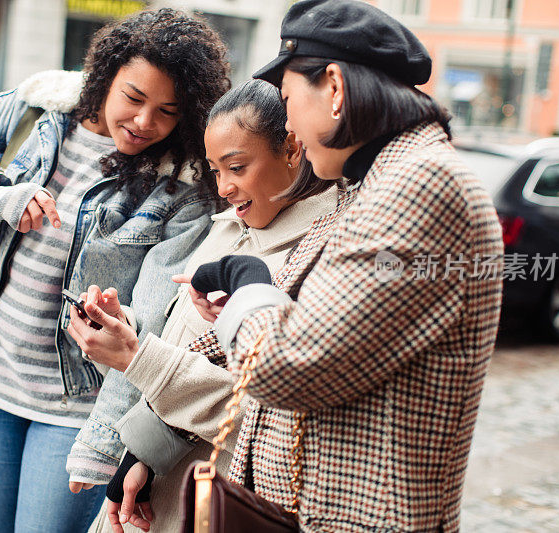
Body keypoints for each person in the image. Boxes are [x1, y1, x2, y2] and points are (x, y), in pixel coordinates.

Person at [178, 1, 505, 531]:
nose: (286, 123)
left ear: (333, 88)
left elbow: (288, 365)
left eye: (287, 100)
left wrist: (244, 282)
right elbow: (307, 321)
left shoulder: (421, 184)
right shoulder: (370, 185)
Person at [0, 9, 230, 532]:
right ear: (105, 77)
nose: (145, 121)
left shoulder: (182, 186)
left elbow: (149, 321)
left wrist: (104, 441)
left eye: (168, 110)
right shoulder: (28, 114)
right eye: (133, 97)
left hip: (75, 409)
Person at [65, 79, 339, 532]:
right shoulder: (228, 227)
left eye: (236, 167)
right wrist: (123, 325)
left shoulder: (322, 251)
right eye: (215, 171)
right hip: (155, 482)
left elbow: (265, 403)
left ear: (291, 148)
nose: (225, 188)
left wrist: (136, 357)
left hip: (222, 497)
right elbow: (189, 344)